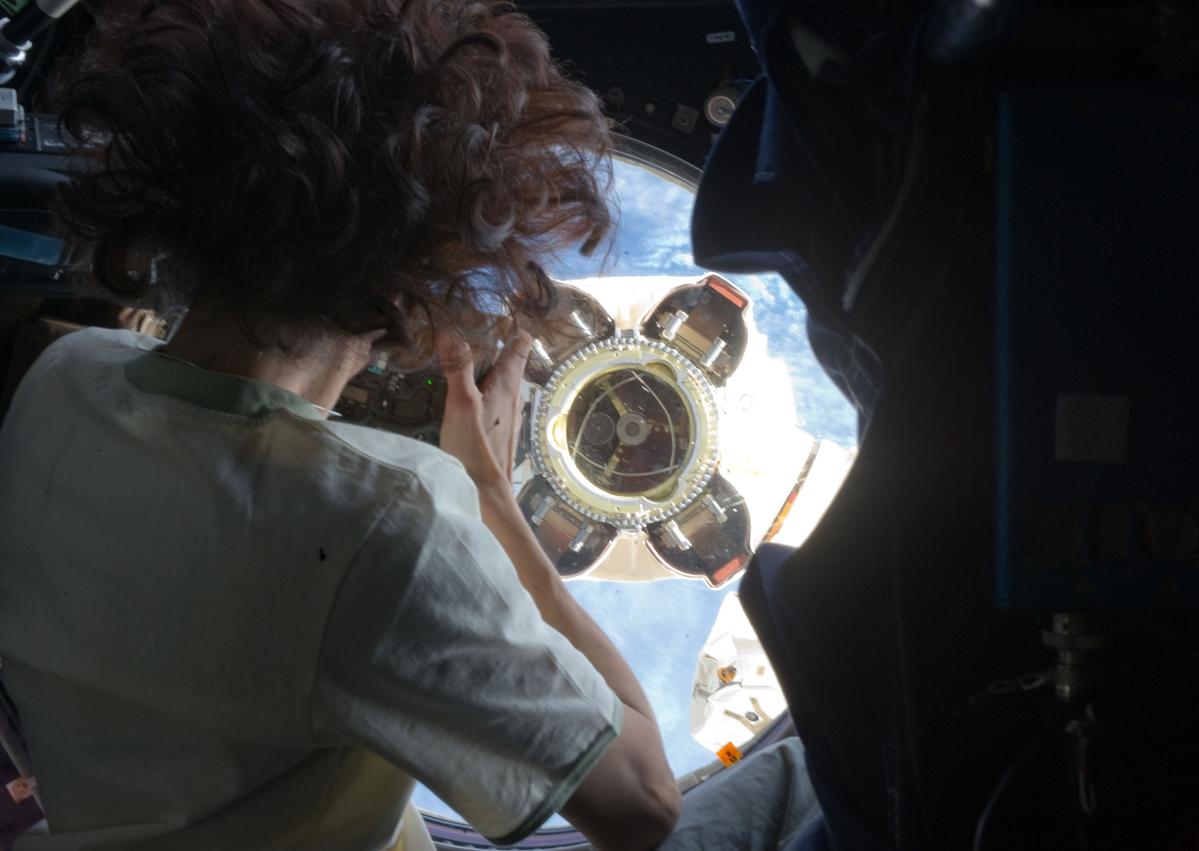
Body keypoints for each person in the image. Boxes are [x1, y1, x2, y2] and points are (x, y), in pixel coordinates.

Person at [0, 1, 821, 849]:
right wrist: (492, 496)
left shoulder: (65, 375)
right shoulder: (381, 525)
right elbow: (646, 803)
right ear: (415, 282)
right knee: (800, 784)